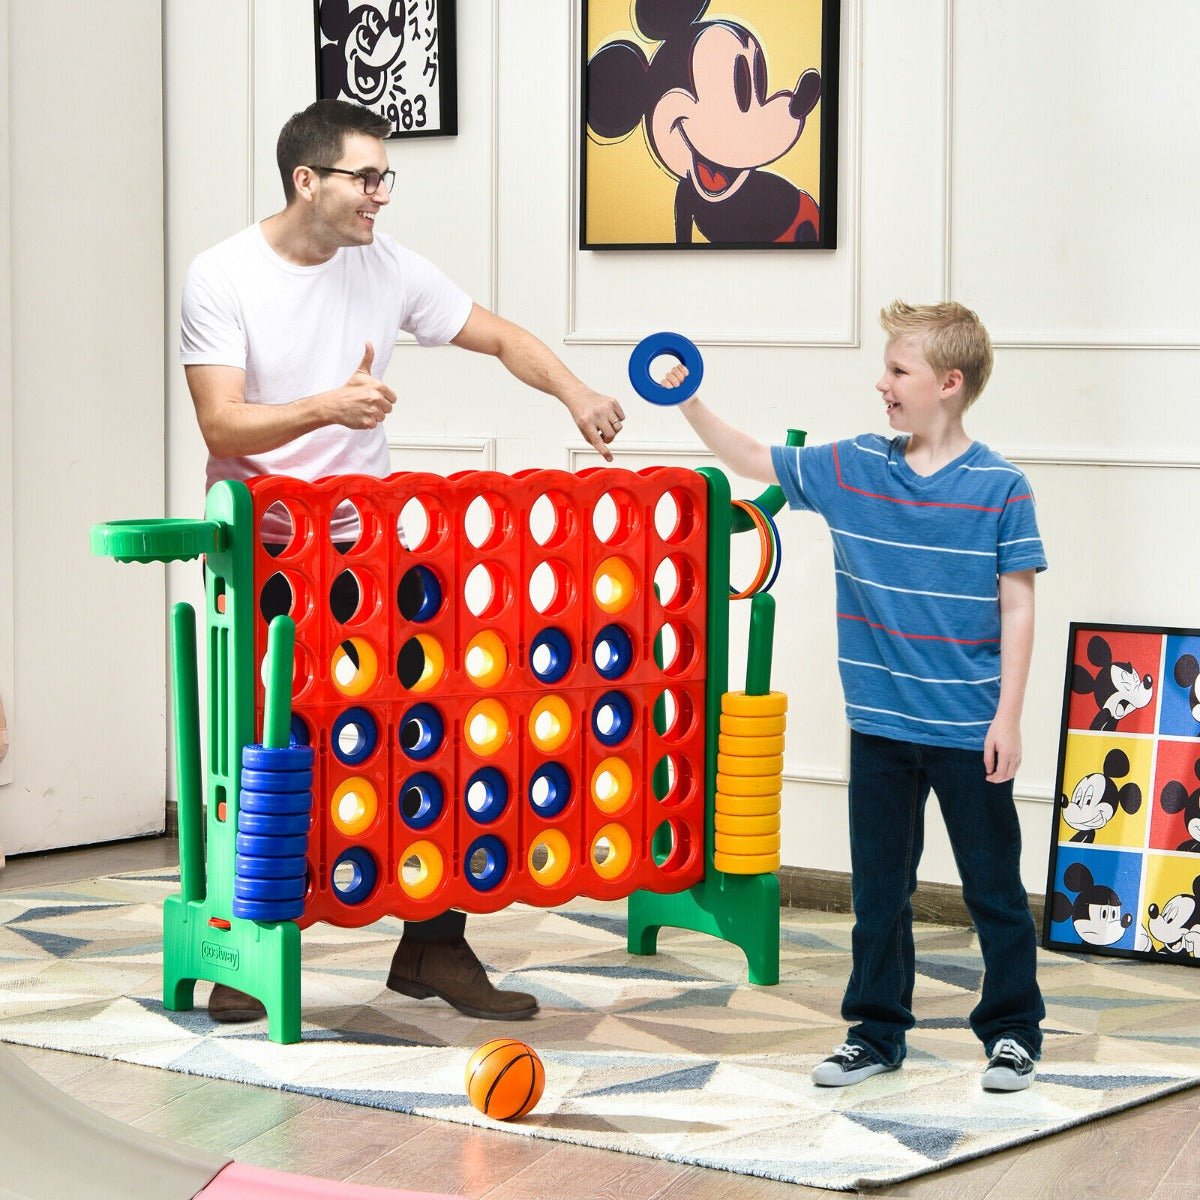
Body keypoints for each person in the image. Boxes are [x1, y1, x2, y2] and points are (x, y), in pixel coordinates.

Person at [180, 99, 626, 1025]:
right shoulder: (221, 275)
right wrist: (324, 408)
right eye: (367, 177)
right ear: (308, 181)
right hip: (268, 552)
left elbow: (500, 336)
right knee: (280, 752)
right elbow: (221, 423)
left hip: (373, 549)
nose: (382, 194)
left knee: (451, 726)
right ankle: (253, 946)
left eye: (387, 177)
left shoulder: (385, 265)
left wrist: (576, 393)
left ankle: (433, 945)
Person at [662, 301, 1046, 1092]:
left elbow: (1018, 602)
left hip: (969, 730)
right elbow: (753, 459)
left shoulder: (1002, 487)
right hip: (878, 728)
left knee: (995, 892)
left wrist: (1008, 715)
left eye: (897, 372)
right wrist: (688, 399)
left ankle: (1012, 1032)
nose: (881, 384)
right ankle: (875, 1034)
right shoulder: (855, 466)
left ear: (949, 383)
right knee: (878, 892)